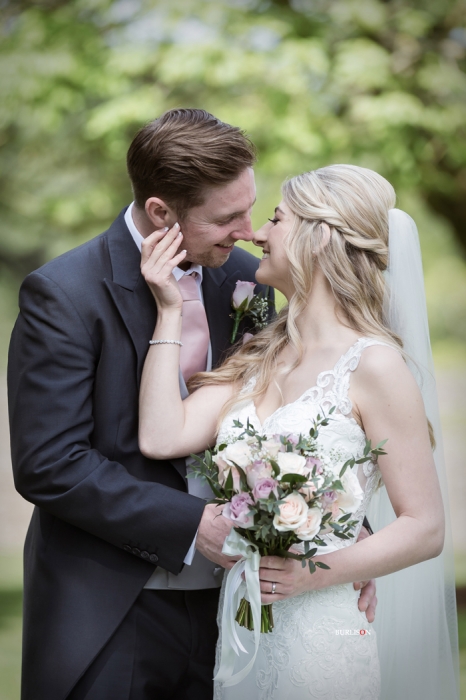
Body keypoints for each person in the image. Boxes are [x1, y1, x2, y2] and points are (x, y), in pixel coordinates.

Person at [7, 108, 377, 700]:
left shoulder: (248, 279)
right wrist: (189, 525)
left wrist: (337, 527)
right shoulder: (64, 294)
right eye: (227, 216)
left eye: (251, 208)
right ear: (161, 212)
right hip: (117, 606)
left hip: (241, 604)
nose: (247, 230)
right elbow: (49, 463)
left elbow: (303, 409)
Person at [138, 164, 458, 699]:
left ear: (320, 236)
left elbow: (425, 526)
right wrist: (169, 311)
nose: (256, 233)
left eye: (275, 219)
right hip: (242, 630)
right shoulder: (258, 356)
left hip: (321, 641)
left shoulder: (374, 366)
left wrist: (320, 571)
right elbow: (160, 436)